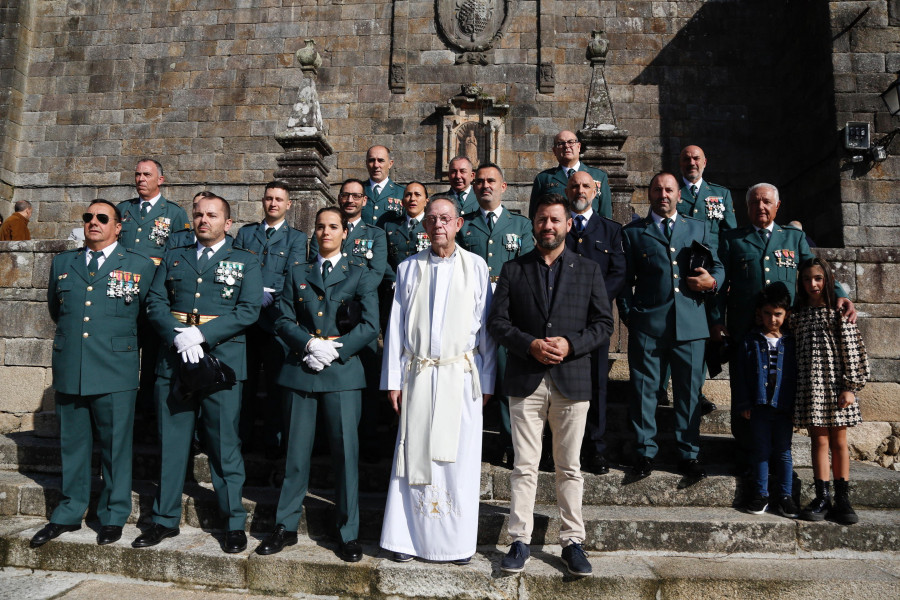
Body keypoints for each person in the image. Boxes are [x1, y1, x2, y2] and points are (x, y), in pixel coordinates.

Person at [489, 193, 614, 577]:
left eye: (555, 220)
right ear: (533, 224)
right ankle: (519, 540)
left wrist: (571, 344)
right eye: (542, 220)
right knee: (524, 465)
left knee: (569, 467)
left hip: (572, 380)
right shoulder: (513, 269)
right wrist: (529, 344)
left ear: (568, 224)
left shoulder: (589, 270)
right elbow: (497, 323)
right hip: (525, 378)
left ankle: (573, 541)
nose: (548, 226)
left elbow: (603, 324)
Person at [135, 194, 262, 553]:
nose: (203, 220)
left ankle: (233, 521)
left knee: (224, 446)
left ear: (228, 222)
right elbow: (155, 302)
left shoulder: (245, 261)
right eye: (198, 214)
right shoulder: (175, 257)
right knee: (172, 444)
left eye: (212, 215)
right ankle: (164, 519)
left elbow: (250, 309)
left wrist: (202, 335)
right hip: (174, 361)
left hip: (220, 363)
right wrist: (178, 336)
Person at [30, 200, 156, 549]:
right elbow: (58, 309)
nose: (93, 222)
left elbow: (147, 319)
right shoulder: (64, 263)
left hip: (116, 369)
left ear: (118, 227)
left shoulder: (139, 265)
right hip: (72, 366)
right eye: (88, 217)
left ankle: (114, 514)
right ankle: (69, 512)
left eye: (103, 218)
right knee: (72, 444)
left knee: (116, 446)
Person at [255, 207, 379, 562]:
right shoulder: (297, 273)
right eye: (321, 227)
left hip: (342, 373)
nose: (326, 232)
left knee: (346, 456)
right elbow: (282, 319)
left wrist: (334, 350)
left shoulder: (359, 274)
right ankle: (285, 525)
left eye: (333, 227)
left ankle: (348, 532)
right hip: (301, 369)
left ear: (344, 234)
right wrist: (308, 345)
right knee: (295, 455)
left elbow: (370, 325)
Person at [379, 196, 496, 564]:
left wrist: (488, 381)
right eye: (432, 219)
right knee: (412, 455)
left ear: (459, 224)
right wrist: (393, 380)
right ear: (424, 226)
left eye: (446, 218)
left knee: (456, 460)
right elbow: (396, 329)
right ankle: (406, 540)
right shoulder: (408, 268)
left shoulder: (477, 267)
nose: (438, 225)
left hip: (460, 376)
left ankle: (456, 544)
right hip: (418, 374)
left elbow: (488, 332)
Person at [711, 183, 856, 475]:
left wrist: (838, 293)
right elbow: (720, 285)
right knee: (745, 396)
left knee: (782, 398)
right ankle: (747, 459)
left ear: (778, 206)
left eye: (766, 202)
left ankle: (779, 457)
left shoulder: (793, 237)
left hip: (786, 335)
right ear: (746, 207)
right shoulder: (732, 239)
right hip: (746, 333)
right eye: (754, 202)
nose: (760, 207)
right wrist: (716, 320)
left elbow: (815, 269)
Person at [619, 172, 724, 483]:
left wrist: (713, 281)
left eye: (669, 190)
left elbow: (717, 264)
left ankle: (689, 454)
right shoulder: (634, 233)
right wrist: (630, 316)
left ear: (679, 195)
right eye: (657, 190)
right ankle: (644, 452)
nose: (663, 195)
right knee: (644, 391)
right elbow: (624, 281)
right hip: (648, 324)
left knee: (688, 394)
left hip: (691, 324)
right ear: (649, 194)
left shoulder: (698, 227)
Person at [457, 163, 533, 463]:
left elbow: (526, 268)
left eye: (491, 181)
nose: (484, 185)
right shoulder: (465, 224)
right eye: (480, 182)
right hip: (471, 314)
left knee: (506, 381)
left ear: (503, 187)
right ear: (474, 188)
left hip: (507, 313)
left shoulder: (521, 226)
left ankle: (511, 444)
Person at [659, 145, 738, 414]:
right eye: (685, 159)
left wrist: (724, 276)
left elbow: (730, 237)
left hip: (708, 278)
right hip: (675, 273)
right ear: (679, 163)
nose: (691, 163)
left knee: (702, 335)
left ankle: (696, 390)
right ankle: (662, 387)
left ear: (705, 162)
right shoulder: (670, 190)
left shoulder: (720, 194)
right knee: (670, 330)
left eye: (695, 158)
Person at [233, 181, 308, 458]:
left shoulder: (296, 239)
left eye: (279, 199)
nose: (273, 203)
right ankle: (241, 438)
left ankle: (274, 443)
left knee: (278, 384)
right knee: (245, 384)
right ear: (262, 202)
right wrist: (254, 293)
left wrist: (269, 293)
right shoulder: (246, 233)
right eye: (268, 198)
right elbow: (235, 266)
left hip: (277, 320)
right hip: (246, 322)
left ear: (288, 205)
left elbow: (294, 274)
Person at [793, 257, 869, 524]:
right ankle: (822, 495)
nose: (812, 284)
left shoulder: (839, 313)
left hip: (836, 387)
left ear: (827, 280)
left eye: (818, 278)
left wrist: (850, 387)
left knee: (838, 442)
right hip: (811, 389)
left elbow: (853, 351)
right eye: (806, 279)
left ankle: (842, 497)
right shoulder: (798, 315)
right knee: (819, 441)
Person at [564, 171, 626, 475]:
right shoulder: (557, 226)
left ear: (596, 191)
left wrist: (595, 301)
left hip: (596, 322)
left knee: (597, 385)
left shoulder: (611, 231)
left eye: (586, 185)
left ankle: (596, 449)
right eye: (574, 185)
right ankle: (561, 449)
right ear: (567, 189)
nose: (580, 190)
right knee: (559, 385)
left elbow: (618, 273)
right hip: (559, 320)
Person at [732, 284, 798, 518]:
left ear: (786, 315)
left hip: (784, 406)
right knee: (760, 450)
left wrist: (796, 407)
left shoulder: (791, 342)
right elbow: (740, 375)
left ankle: (785, 496)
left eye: (778, 314)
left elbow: (798, 375)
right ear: (760, 313)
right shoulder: (751, 340)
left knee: (783, 452)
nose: (773, 319)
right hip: (759, 406)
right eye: (768, 313)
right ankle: (761, 495)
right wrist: (744, 403)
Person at [117, 159, 191, 265]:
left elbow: (182, 251)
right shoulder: (123, 208)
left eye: (147, 175)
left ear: (160, 180)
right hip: (124, 276)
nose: (141, 179)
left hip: (155, 275)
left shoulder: (175, 212)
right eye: (138, 175)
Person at [529, 130, 611, 220]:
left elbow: (606, 217)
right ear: (554, 151)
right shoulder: (544, 179)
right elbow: (535, 217)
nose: (566, 146)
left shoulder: (598, 176)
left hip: (590, 232)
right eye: (560, 143)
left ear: (579, 147)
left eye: (571, 142)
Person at [361, 145, 405, 227]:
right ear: (366, 163)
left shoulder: (402, 193)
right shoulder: (358, 190)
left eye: (381, 160)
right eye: (371, 160)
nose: (376, 165)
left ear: (390, 164)